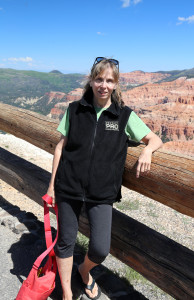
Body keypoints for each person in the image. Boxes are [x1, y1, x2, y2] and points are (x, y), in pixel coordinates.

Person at [46, 57, 163, 300]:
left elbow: (154, 139)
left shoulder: (124, 116)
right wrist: (51, 186)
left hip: (102, 192)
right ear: (91, 80)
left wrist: (147, 151)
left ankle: (84, 269)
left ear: (116, 85)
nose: (103, 85)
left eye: (109, 81)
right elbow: (60, 148)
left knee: (100, 248)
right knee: (65, 241)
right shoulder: (74, 110)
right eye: (99, 79)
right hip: (68, 186)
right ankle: (67, 292)